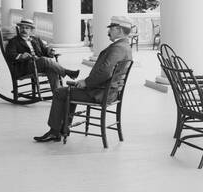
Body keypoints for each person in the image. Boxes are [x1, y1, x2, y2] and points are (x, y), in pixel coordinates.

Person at [34, 15, 134, 143]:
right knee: (68, 91)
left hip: (100, 93)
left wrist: (86, 83)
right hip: (107, 91)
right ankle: (62, 129)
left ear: (119, 30)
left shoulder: (118, 48)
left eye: (112, 29)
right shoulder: (124, 46)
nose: (109, 31)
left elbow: (105, 72)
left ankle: (55, 132)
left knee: (60, 92)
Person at [5, 19, 79, 91]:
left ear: (31, 30)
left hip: (38, 64)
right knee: (44, 60)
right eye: (22, 28)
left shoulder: (36, 39)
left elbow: (45, 49)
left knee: (52, 69)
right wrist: (21, 56)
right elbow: (10, 54)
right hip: (25, 66)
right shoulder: (14, 41)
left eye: (27, 28)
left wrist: (50, 51)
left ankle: (57, 94)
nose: (24, 30)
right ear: (19, 28)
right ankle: (67, 72)